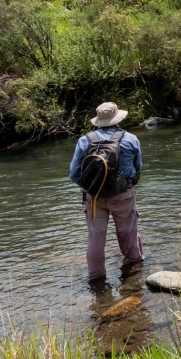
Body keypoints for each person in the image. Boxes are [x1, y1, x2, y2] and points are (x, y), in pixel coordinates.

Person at [69, 101, 144, 281]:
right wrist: (128, 185)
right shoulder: (131, 139)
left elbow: (74, 174)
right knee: (128, 230)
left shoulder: (84, 140)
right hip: (122, 195)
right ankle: (134, 266)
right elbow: (138, 169)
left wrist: (92, 188)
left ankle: (96, 277)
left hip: (94, 198)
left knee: (96, 236)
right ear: (117, 118)